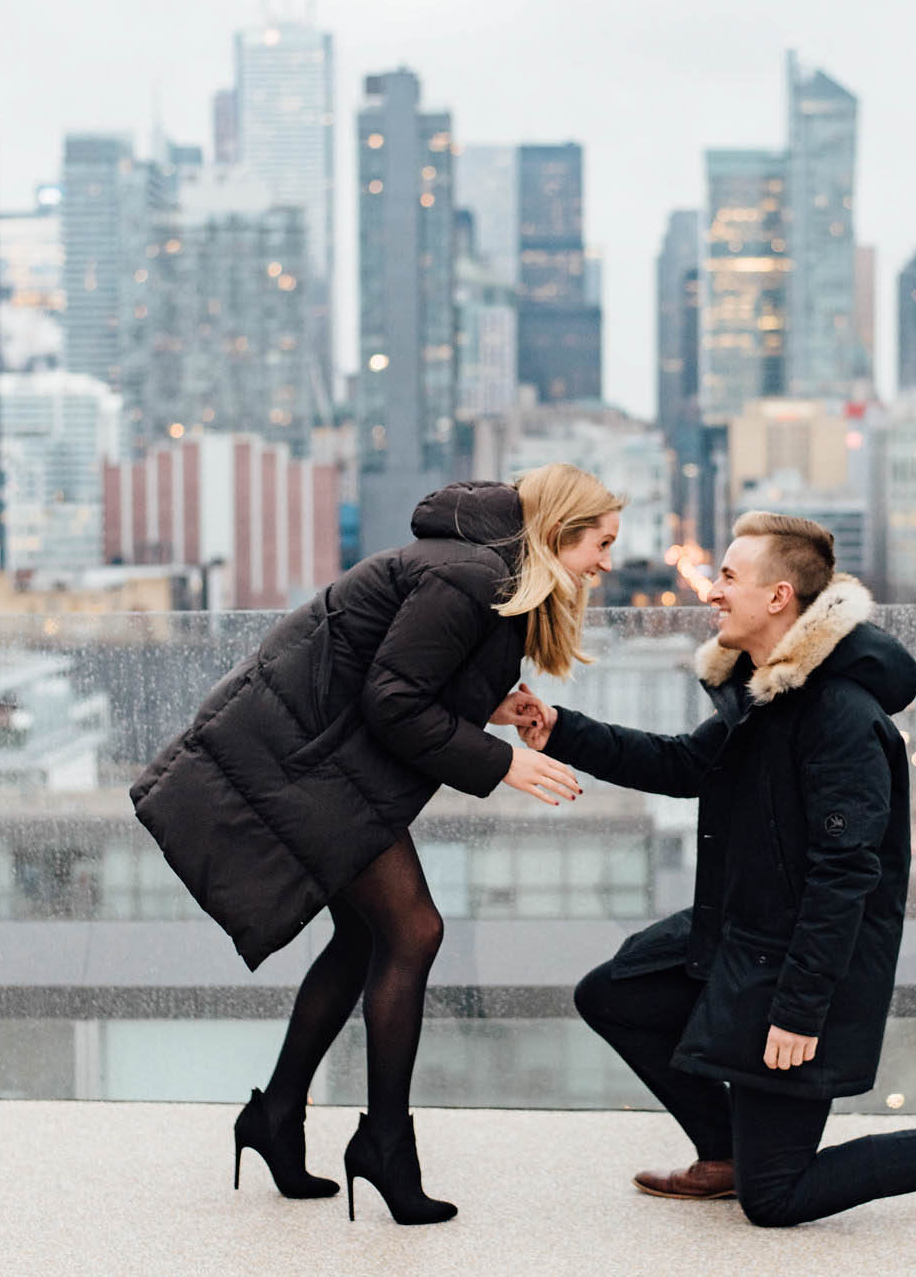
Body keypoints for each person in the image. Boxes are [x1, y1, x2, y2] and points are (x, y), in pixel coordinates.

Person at [511, 511, 916, 1229]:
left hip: (801, 964)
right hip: (746, 932)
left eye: (729, 576)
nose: (713, 591)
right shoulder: (767, 691)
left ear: (779, 596)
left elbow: (845, 874)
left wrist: (798, 1009)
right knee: (615, 993)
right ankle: (725, 1151)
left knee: (777, 1199)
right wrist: (559, 728)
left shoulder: (839, 715)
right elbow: (684, 764)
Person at [131, 464, 621, 1225]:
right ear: (558, 533)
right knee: (415, 929)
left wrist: (486, 706)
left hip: (318, 760)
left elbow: (401, 672)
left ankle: (277, 1116)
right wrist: (503, 762)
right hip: (309, 767)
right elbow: (393, 701)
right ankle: (383, 1143)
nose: (607, 562)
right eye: (602, 542)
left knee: (365, 939)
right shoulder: (472, 577)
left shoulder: (478, 569)